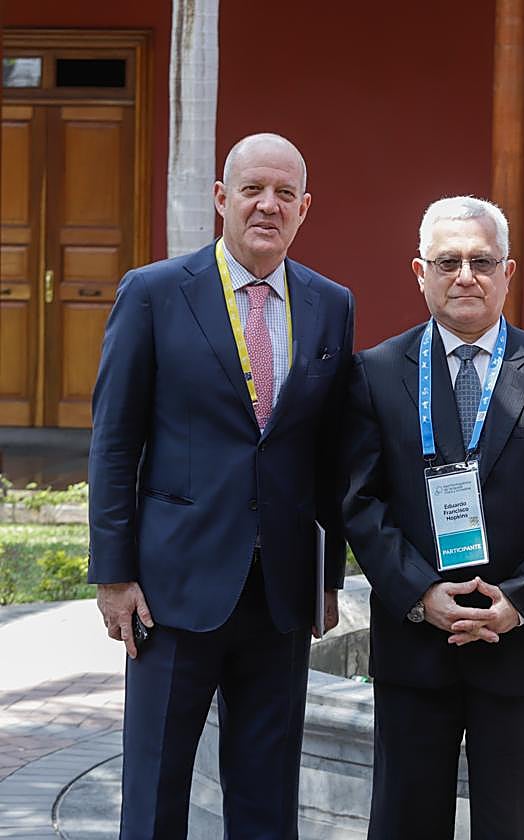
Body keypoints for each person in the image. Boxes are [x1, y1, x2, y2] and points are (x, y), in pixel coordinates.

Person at [87, 133, 355, 838]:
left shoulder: (331, 305)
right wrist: (113, 575)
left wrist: (327, 579)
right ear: (220, 200)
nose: (268, 206)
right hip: (173, 588)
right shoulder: (153, 294)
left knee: (267, 795)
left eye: (285, 195)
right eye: (252, 190)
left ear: (305, 208)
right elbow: (115, 444)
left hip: (280, 593)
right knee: (155, 789)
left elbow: (329, 452)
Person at [340, 195, 524, 839]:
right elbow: (359, 500)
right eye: (448, 261)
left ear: (508, 273)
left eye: (482, 261)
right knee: (403, 823)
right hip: (414, 644)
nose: (466, 275)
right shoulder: (375, 374)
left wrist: (519, 601)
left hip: (515, 642)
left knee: (505, 827)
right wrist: (419, 593)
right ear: (419, 272)